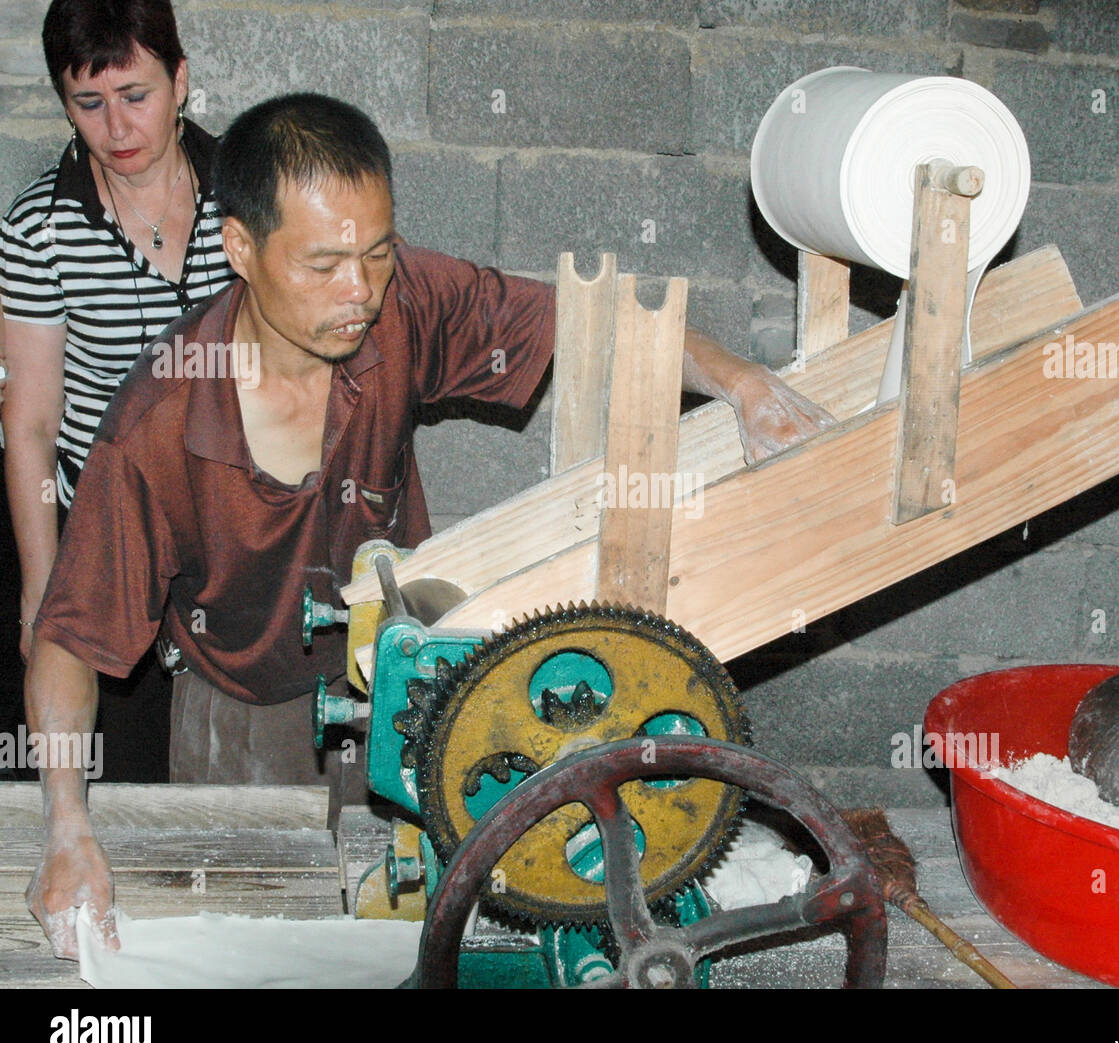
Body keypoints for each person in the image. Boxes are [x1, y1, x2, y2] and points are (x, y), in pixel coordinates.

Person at [23, 92, 836, 958]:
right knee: (255, 952)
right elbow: (70, 640)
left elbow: (587, 319)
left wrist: (743, 382)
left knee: (418, 943)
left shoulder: (401, 301)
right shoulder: (158, 421)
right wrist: (67, 829)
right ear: (241, 249)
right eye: (325, 264)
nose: (361, 293)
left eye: (377, 254)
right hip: (243, 719)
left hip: (407, 690)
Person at [0, 0, 235, 780]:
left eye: (136, 96)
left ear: (180, 81)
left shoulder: (250, 197)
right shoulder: (39, 227)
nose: (117, 128)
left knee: (211, 768)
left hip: (222, 518)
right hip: (93, 516)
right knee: (100, 768)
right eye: (89, 104)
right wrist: (43, 586)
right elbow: (30, 423)